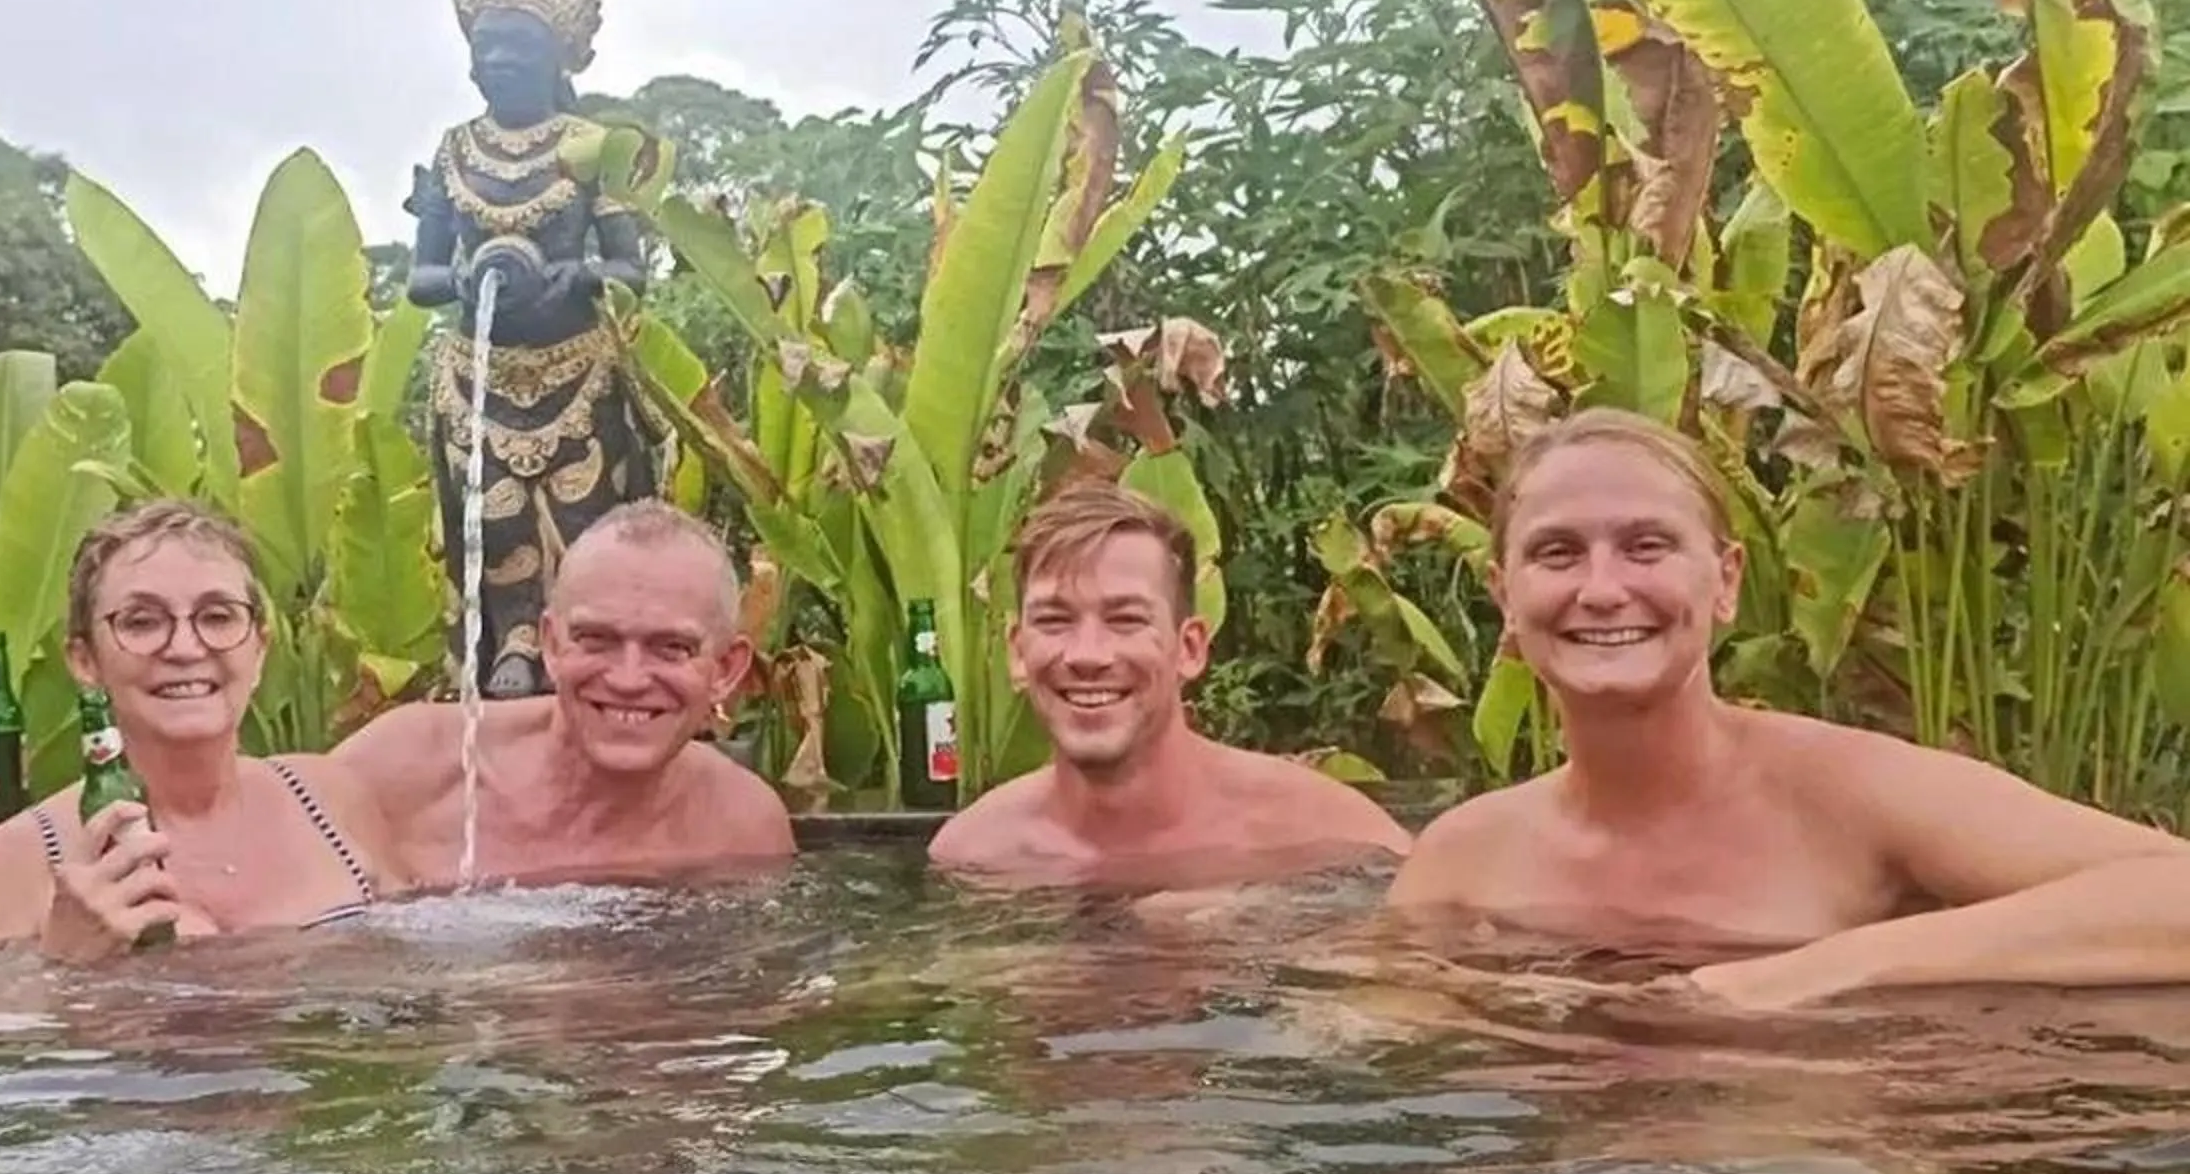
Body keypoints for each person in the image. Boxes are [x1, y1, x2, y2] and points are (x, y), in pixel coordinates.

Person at [1388, 408, 2190, 1010]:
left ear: (1726, 581)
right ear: (1505, 595)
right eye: (1557, 552)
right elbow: (1364, 1031)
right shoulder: (1462, 858)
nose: (1602, 591)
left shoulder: (1852, 793)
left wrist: (1821, 969)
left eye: (1648, 547)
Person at [0, 500, 397, 960]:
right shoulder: (12, 862)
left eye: (217, 616)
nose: (185, 647)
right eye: (142, 621)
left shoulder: (330, 800)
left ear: (260, 648)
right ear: (84, 661)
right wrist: (59, 963)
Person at [930, 480, 1410, 885]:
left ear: (1190, 648)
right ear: (1017, 650)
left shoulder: (1331, 838)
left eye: (1125, 620)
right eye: (1055, 620)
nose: (1087, 656)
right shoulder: (975, 857)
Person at [324, 500, 795, 887]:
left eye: (671, 648)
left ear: (727, 668)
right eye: (597, 639)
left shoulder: (742, 826)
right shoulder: (410, 768)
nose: (628, 679)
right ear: (550, 643)